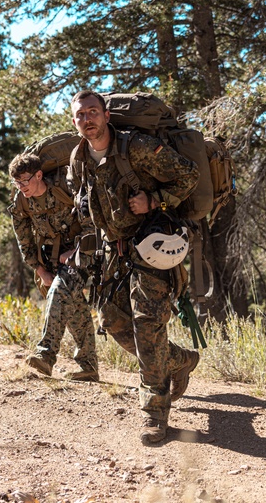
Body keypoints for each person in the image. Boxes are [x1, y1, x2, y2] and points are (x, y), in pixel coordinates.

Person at [66, 90, 200, 444]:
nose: (87, 120)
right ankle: (179, 361)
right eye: (80, 115)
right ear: (74, 121)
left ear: (107, 115)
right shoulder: (78, 157)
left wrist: (154, 200)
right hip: (114, 251)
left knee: (147, 323)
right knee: (112, 322)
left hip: (152, 242)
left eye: (93, 112)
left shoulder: (136, 147)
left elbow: (189, 176)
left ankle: (154, 413)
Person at [9, 152, 100, 382]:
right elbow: (24, 240)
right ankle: (88, 367)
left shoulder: (65, 188)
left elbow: (92, 224)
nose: (21, 187)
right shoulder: (21, 201)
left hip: (82, 253)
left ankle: (45, 355)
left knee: (61, 292)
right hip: (51, 258)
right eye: (16, 182)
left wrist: (75, 252)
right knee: (75, 307)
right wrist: (40, 270)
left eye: (25, 181)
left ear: (39, 175)